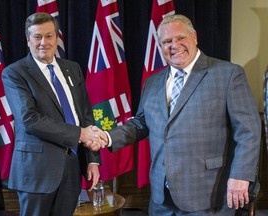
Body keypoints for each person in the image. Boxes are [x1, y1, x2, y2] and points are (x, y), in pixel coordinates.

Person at [87, 14, 262, 215]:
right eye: (167, 41)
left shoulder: (227, 74)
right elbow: (141, 123)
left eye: (180, 38)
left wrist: (241, 176)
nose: (174, 45)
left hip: (208, 194)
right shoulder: (153, 82)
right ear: (160, 46)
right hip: (161, 197)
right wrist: (107, 137)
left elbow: (248, 131)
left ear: (194, 37)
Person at [2, 12, 106, 216]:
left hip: (71, 168)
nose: (43, 42)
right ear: (28, 40)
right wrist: (80, 134)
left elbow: (85, 116)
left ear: (57, 38)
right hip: (36, 172)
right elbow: (29, 120)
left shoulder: (72, 68)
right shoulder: (15, 73)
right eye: (37, 37)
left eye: (49, 36)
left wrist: (92, 159)